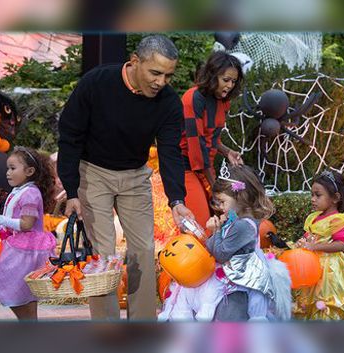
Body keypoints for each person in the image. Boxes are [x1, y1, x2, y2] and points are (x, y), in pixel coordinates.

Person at [57, 34, 195, 321]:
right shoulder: (97, 83)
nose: (161, 82)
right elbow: (70, 136)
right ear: (135, 62)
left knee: (143, 250)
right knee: (104, 255)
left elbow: (170, 151)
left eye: (168, 75)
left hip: (135, 176)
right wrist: (71, 191)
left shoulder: (168, 102)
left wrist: (176, 199)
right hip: (93, 172)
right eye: (155, 73)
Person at [158, 165, 291, 321]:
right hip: (228, 274)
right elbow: (212, 246)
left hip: (238, 281)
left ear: (241, 197)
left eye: (222, 201)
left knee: (228, 317)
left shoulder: (244, 225)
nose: (219, 206)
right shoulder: (235, 218)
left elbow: (220, 254)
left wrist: (217, 231)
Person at [0, 147, 56, 320]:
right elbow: (12, 218)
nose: (8, 173)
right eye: (7, 169)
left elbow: (26, 225)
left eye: (12, 168)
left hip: (24, 250)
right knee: (23, 295)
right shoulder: (19, 190)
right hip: (17, 246)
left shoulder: (31, 194)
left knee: (14, 290)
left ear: (29, 171)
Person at [180, 51, 245, 231]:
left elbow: (211, 138)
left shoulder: (222, 101)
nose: (230, 86)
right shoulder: (193, 98)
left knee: (224, 221)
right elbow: (197, 147)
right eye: (226, 80)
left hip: (206, 168)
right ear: (212, 74)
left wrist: (227, 151)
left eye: (233, 81)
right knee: (201, 227)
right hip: (186, 167)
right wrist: (215, 187)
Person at [293, 170, 344, 320]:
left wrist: (314, 247)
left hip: (330, 270)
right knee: (310, 301)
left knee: (327, 300)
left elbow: (341, 245)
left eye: (318, 195)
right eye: (312, 195)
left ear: (335, 198)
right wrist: (301, 243)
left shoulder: (337, 219)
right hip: (312, 267)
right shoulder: (314, 217)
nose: (313, 199)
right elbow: (308, 237)